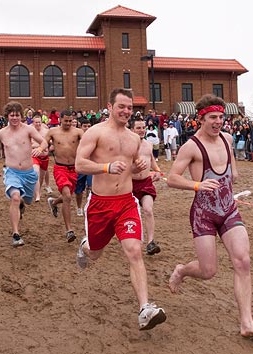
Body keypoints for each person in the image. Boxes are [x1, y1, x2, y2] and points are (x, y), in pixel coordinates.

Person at [166, 94, 253, 339]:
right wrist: (196, 185)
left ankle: (247, 323)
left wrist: (233, 173)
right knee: (208, 270)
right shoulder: (190, 146)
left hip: (228, 210)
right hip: (203, 214)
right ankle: (181, 270)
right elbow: (172, 179)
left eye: (221, 117)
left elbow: (231, 166)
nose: (218, 122)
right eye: (213, 117)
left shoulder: (228, 138)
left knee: (243, 261)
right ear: (200, 118)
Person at [75, 88, 166, 331]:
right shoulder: (95, 132)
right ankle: (85, 246)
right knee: (95, 253)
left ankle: (145, 308)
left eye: (130, 108)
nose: (126, 111)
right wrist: (105, 167)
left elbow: (133, 169)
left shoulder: (133, 138)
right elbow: (79, 164)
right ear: (110, 106)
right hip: (100, 204)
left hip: (126, 202)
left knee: (134, 250)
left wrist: (142, 167)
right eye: (122, 107)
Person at [0, 101, 48, 247]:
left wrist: (40, 149)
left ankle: (22, 204)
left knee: (27, 200)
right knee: (15, 197)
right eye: (11, 115)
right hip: (12, 171)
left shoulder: (28, 130)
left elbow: (44, 142)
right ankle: (16, 234)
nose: (14, 118)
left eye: (17, 115)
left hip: (28, 173)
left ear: (21, 116)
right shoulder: (1, 133)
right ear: (7, 116)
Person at [46, 111, 84, 243]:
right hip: (60, 168)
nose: (68, 123)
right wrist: (40, 149)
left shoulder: (78, 132)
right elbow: (44, 143)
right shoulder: (52, 132)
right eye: (65, 121)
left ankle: (54, 202)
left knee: (68, 196)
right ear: (60, 119)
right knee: (67, 196)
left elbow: (88, 144)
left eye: (70, 121)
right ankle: (69, 230)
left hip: (74, 169)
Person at [131, 119, 162, 255]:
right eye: (138, 128)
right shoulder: (127, 146)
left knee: (148, 210)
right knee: (131, 215)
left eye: (143, 127)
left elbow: (153, 164)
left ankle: (150, 242)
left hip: (146, 183)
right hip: (129, 184)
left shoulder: (149, 145)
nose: (142, 130)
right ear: (132, 130)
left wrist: (157, 172)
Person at [74, 118, 92, 216]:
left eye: (89, 126)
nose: (87, 128)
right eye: (85, 126)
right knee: (79, 190)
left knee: (91, 187)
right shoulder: (76, 138)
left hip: (90, 166)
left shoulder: (94, 137)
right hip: (80, 167)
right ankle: (79, 207)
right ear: (80, 127)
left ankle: (88, 206)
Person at [30, 114, 50, 202]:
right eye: (36, 122)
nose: (38, 124)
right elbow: (30, 144)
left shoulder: (46, 131)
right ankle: (37, 194)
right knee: (36, 172)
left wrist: (45, 146)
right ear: (33, 123)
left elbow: (48, 143)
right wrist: (41, 146)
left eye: (39, 122)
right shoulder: (30, 131)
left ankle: (39, 190)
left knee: (42, 176)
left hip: (44, 157)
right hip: (34, 156)